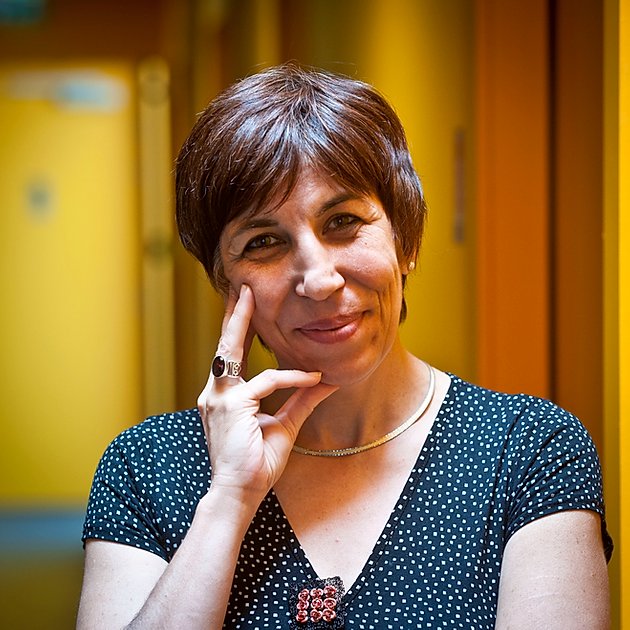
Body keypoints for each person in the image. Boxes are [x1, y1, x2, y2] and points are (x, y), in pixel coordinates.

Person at [77, 63, 612, 629]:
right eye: (264, 241)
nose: (319, 279)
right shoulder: (148, 465)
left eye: (343, 221)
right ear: (224, 281)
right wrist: (230, 497)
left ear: (406, 241)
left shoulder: (528, 450)